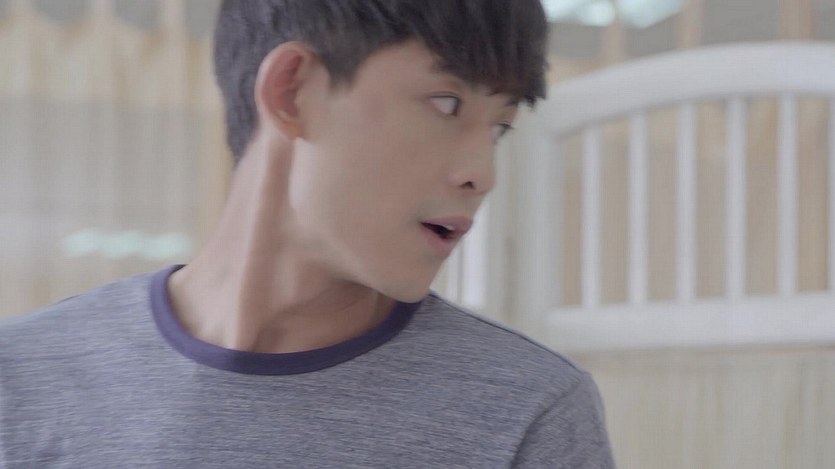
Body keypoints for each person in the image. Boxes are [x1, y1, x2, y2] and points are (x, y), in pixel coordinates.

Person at [0, 1, 616, 467]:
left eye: (500, 128)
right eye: (447, 104)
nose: (482, 175)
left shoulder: (528, 407)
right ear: (292, 90)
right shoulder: (22, 375)